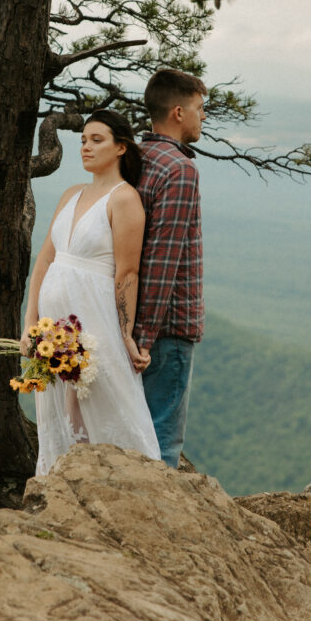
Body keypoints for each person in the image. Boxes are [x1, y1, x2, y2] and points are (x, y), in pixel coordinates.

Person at [22, 110, 160, 474]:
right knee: (61, 408)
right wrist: (30, 321)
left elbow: (128, 272)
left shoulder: (124, 198)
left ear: (120, 148)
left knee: (106, 400)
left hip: (95, 318)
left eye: (97, 140)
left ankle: (125, 481)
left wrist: (126, 334)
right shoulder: (71, 193)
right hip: (54, 329)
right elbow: (45, 260)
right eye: (83, 139)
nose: (86, 147)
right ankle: (62, 479)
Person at [135, 68, 207, 468]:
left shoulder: (135, 157)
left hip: (133, 321)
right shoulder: (180, 169)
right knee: (162, 441)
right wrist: (145, 337)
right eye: (199, 108)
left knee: (133, 428)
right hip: (168, 327)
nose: (203, 117)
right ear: (178, 112)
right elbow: (163, 259)